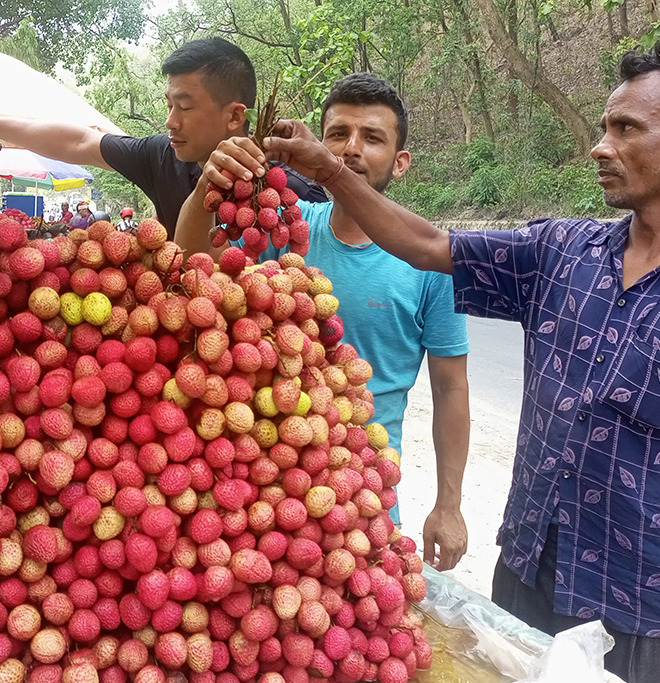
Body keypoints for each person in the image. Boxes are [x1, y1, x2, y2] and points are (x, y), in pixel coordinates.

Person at [207, 39, 660, 683]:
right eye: (603, 127)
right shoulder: (564, 251)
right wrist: (326, 170)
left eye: (624, 129)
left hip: (656, 619)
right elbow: (427, 242)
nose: (598, 147)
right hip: (529, 588)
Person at [177, 73, 471, 570]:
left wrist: (450, 503)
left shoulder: (432, 260)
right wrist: (210, 179)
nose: (351, 149)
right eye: (337, 135)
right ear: (314, 147)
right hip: (261, 473)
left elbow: (450, 390)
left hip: (359, 484)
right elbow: (190, 261)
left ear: (401, 163)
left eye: (372, 137)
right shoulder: (283, 229)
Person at [0, 37, 326, 234]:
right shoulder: (164, 156)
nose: (171, 121)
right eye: (168, 105)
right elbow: (79, 142)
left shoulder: (292, 191)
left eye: (185, 107)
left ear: (235, 116)